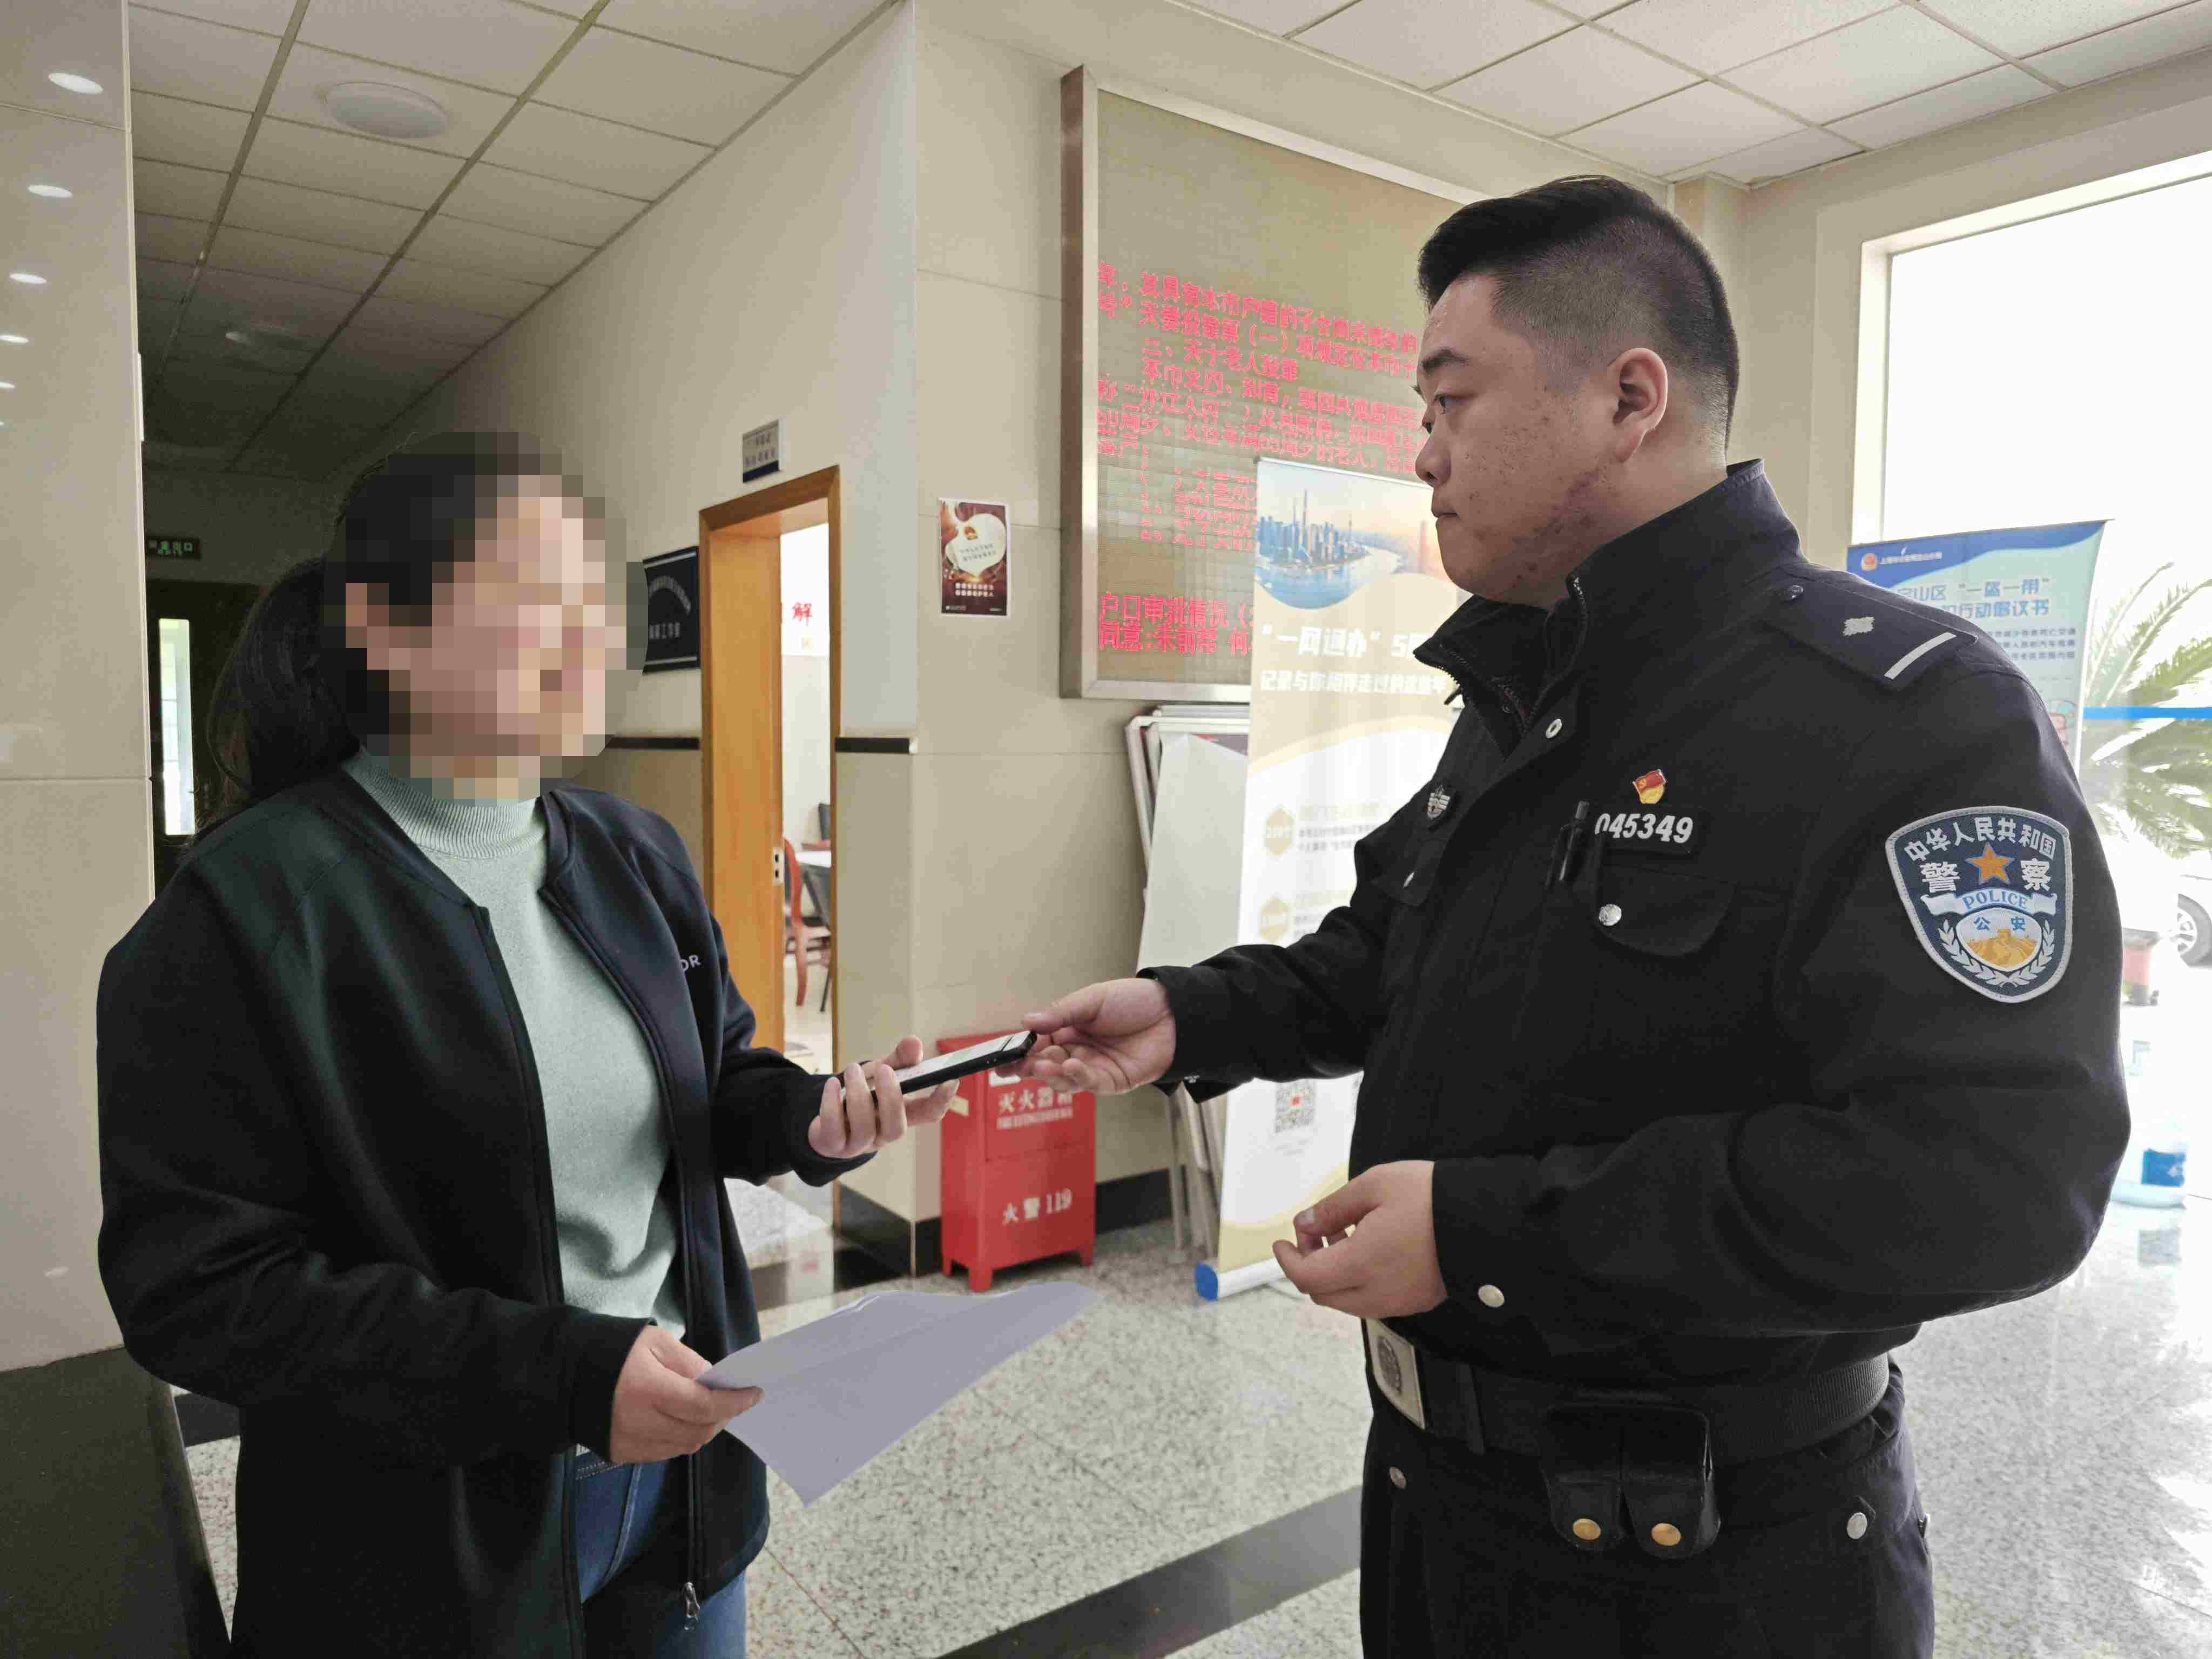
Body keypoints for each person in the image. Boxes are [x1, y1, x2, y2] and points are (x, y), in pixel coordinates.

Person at [1016, 178, 2128, 1655]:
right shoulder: (1527, 690)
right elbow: (1390, 953)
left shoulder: (1903, 717)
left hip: (1709, 1565)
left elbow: (1998, 1180)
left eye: (1451, 401)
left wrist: (1489, 1235)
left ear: (1628, 399)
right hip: (1441, 1505)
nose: (1421, 453)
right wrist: (1189, 1013)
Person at [95, 433, 959, 1658]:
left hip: (679, 1488)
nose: (590, 639)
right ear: (385, 631)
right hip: (420, 1552)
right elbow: (200, 1292)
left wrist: (805, 1116)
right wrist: (555, 1374)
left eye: (593, 601)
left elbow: (711, 1077)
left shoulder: (632, 853)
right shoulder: (248, 912)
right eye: (533, 598)